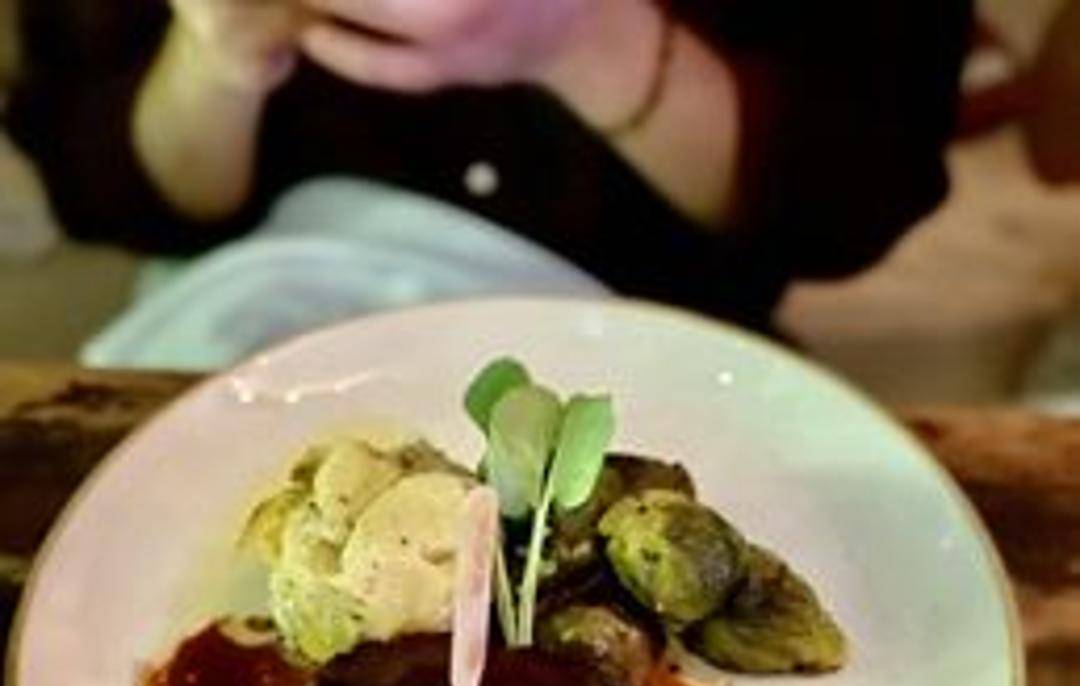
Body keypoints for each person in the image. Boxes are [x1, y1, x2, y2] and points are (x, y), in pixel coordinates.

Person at [8, 0, 973, 331]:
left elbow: (851, 196)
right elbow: (108, 185)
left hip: (651, 332)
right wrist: (219, 56)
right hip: (245, 322)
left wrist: (583, 41)